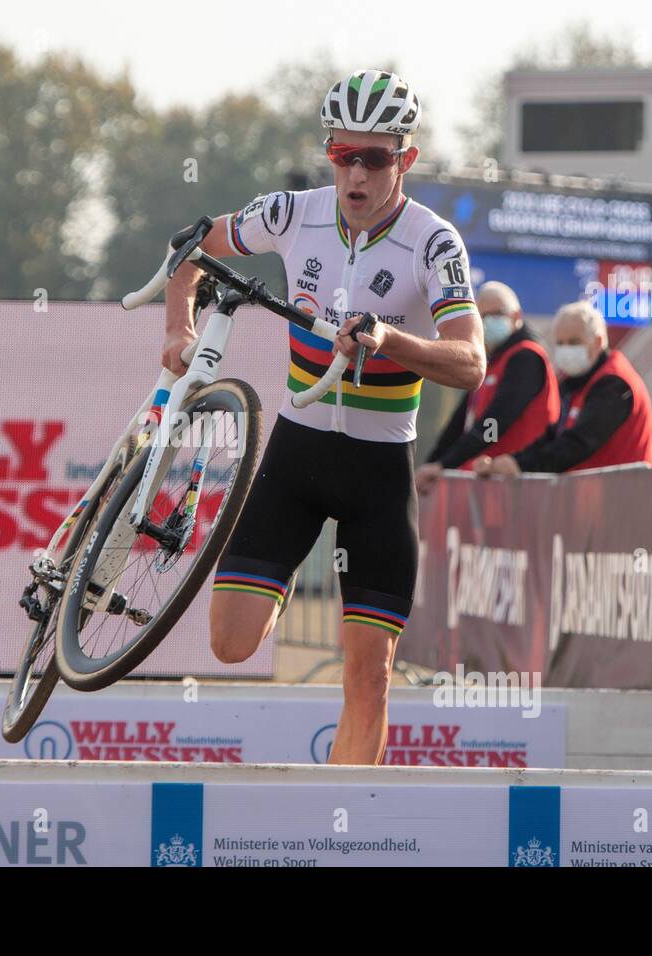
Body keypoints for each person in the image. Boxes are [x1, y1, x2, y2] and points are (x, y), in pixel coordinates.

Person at [161, 69, 485, 765]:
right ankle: (272, 581)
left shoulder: (434, 244)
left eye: (375, 158)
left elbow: (471, 363)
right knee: (231, 642)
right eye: (344, 155)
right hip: (296, 458)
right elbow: (191, 246)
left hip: (378, 474)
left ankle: (343, 828)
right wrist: (176, 329)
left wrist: (390, 338)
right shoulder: (292, 213)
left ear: (407, 160)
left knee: (368, 675)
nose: (357, 173)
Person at [473, 300, 652, 476]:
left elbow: (578, 444)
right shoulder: (574, 383)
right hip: (594, 500)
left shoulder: (615, 383)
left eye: (574, 342)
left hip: (629, 500)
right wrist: (512, 461)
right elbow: (554, 436)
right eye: (560, 343)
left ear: (598, 341)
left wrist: (521, 465)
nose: (566, 349)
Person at [416, 280, 558, 493]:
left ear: (516, 316)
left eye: (496, 314)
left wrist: (446, 463)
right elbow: (461, 420)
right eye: (482, 316)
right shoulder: (493, 361)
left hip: (519, 486)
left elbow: (496, 421)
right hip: (488, 484)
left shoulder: (527, 357)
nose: (487, 322)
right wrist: (434, 463)